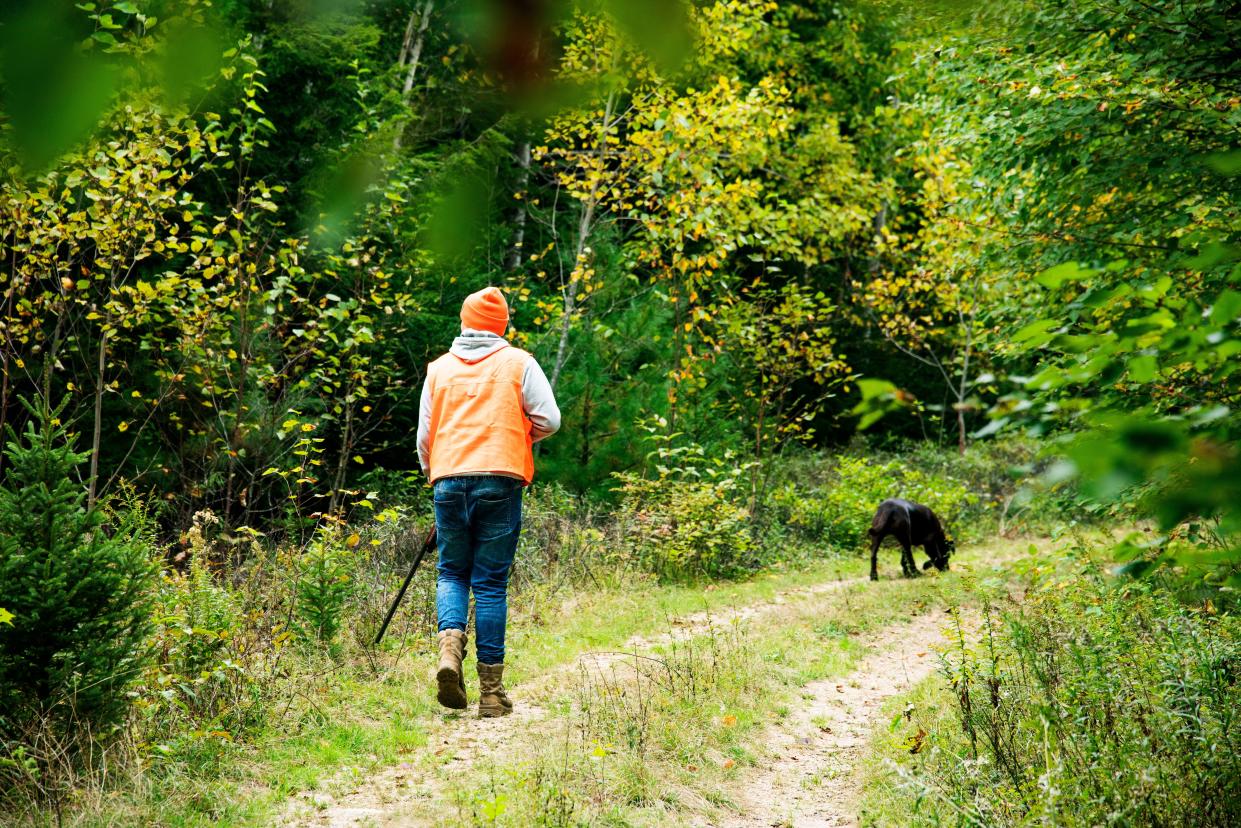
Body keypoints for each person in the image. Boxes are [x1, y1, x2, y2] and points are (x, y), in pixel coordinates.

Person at [417, 286, 560, 717]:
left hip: (448, 477)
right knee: (491, 584)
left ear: (464, 323)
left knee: (452, 573)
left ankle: (449, 650)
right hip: (501, 478)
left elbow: (425, 436)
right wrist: (519, 434)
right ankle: (492, 695)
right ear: (502, 327)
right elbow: (549, 419)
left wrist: (436, 476)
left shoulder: (439, 369)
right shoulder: (519, 362)